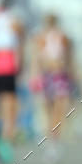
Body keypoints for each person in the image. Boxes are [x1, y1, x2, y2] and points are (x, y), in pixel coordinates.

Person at [31, 14, 75, 151]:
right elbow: (37, 58)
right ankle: (51, 137)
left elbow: (68, 58)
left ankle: (55, 137)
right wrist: (35, 76)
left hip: (59, 75)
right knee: (49, 109)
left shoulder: (62, 37)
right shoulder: (41, 37)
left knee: (59, 108)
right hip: (48, 75)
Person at [0, 0, 24, 164]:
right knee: (8, 104)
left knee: (8, 103)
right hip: (6, 62)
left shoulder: (12, 19)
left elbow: (18, 42)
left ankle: (6, 139)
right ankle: (6, 138)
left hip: (6, 63)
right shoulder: (13, 19)